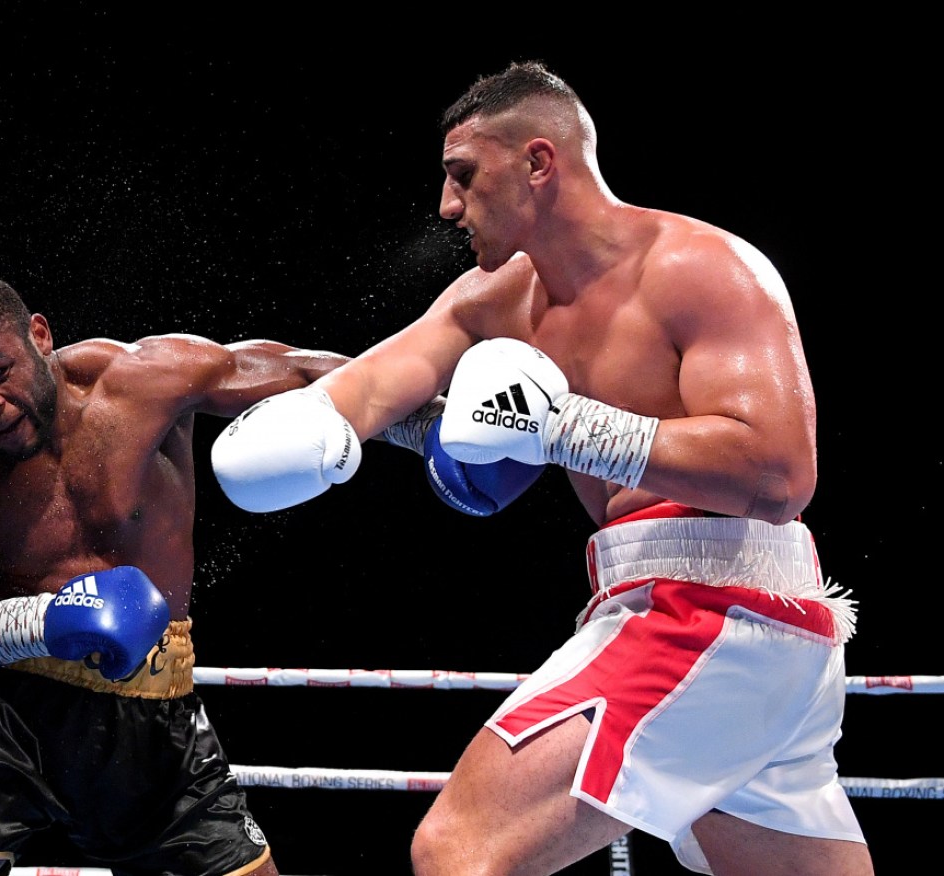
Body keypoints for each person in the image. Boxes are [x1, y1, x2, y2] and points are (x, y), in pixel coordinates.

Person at [210, 61, 872, 875]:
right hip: (699, 621)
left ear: (536, 161)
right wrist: (289, 421)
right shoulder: (492, 299)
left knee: (461, 851)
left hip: (710, 612)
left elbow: (777, 476)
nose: (447, 206)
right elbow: (369, 386)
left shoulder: (699, 268)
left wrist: (564, 429)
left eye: (462, 176)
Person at [0, 268, 350, 876]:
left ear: (38, 335)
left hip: (149, 716)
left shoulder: (146, 381)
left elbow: (304, 375)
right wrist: (41, 622)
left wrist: (425, 417)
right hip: (0, 708)